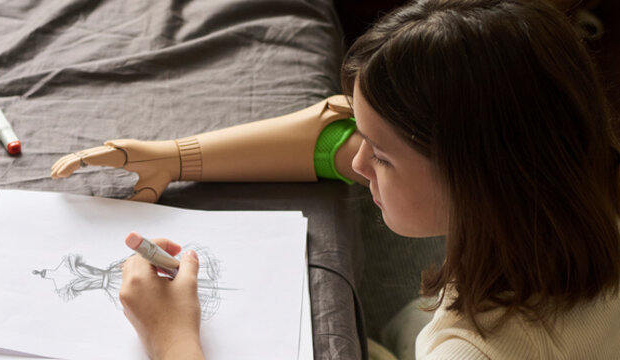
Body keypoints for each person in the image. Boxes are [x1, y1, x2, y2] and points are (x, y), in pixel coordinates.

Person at [49, 0, 620, 358]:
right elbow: (333, 133)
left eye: (383, 157)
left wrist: (170, 337)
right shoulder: (560, 189)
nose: (358, 163)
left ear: (475, 178)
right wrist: (175, 157)